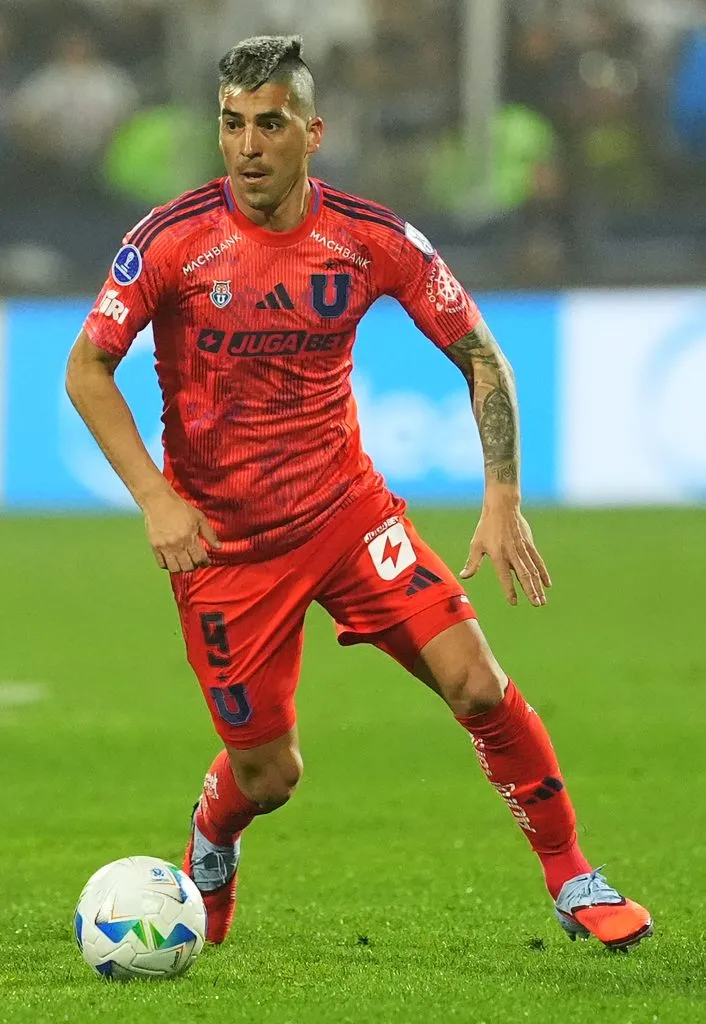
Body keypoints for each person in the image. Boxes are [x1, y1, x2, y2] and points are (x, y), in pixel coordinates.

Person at [65, 35, 652, 951]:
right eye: (232, 125)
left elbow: (480, 354)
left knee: (477, 683)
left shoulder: (367, 239)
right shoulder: (171, 240)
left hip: (347, 515)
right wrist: (155, 498)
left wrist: (503, 496)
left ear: (312, 132)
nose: (248, 145)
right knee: (269, 776)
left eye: (270, 124)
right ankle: (212, 838)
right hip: (226, 549)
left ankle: (574, 876)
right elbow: (87, 369)